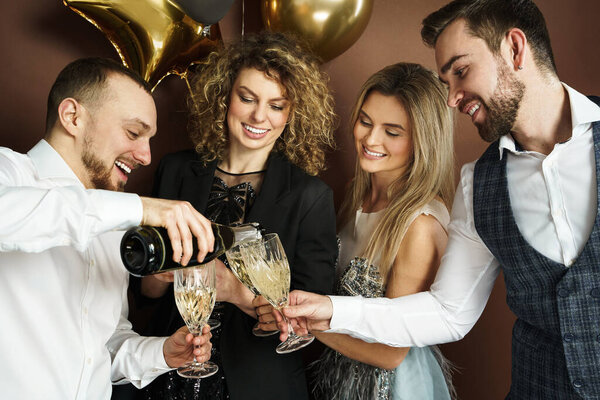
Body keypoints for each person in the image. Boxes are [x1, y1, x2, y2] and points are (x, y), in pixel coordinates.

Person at [271, 0, 600, 398]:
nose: (452, 99)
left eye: (461, 71)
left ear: (515, 48)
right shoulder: (478, 184)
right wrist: (331, 312)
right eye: (447, 82)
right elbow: (448, 313)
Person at [133, 31, 338, 400]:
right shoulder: (175, 170)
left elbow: (312, 320)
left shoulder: (311, 197)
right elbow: (144, 291)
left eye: (277, 105)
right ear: (225, 96)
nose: (260, 116)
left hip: (260, 384)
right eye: (247, 98)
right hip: (166, 372)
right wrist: (161, 276)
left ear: (292, 113)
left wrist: (235, 291)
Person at [0, 57, 214, 400]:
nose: (146, 155)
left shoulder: (114, 229)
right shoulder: (8, 173)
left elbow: (102, 347)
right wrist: (144, 208)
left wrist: (161, 354)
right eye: (133, 132)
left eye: (149, 139)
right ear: (72, 117)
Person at [293, 62, 455, 399]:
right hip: (338, 375)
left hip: (392, 389)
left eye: (392, 132)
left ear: (423, 141)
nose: (370, 138)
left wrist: (304, 323)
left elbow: (390, 354)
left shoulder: (419, 225)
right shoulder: (356, 191)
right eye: (365, 121)